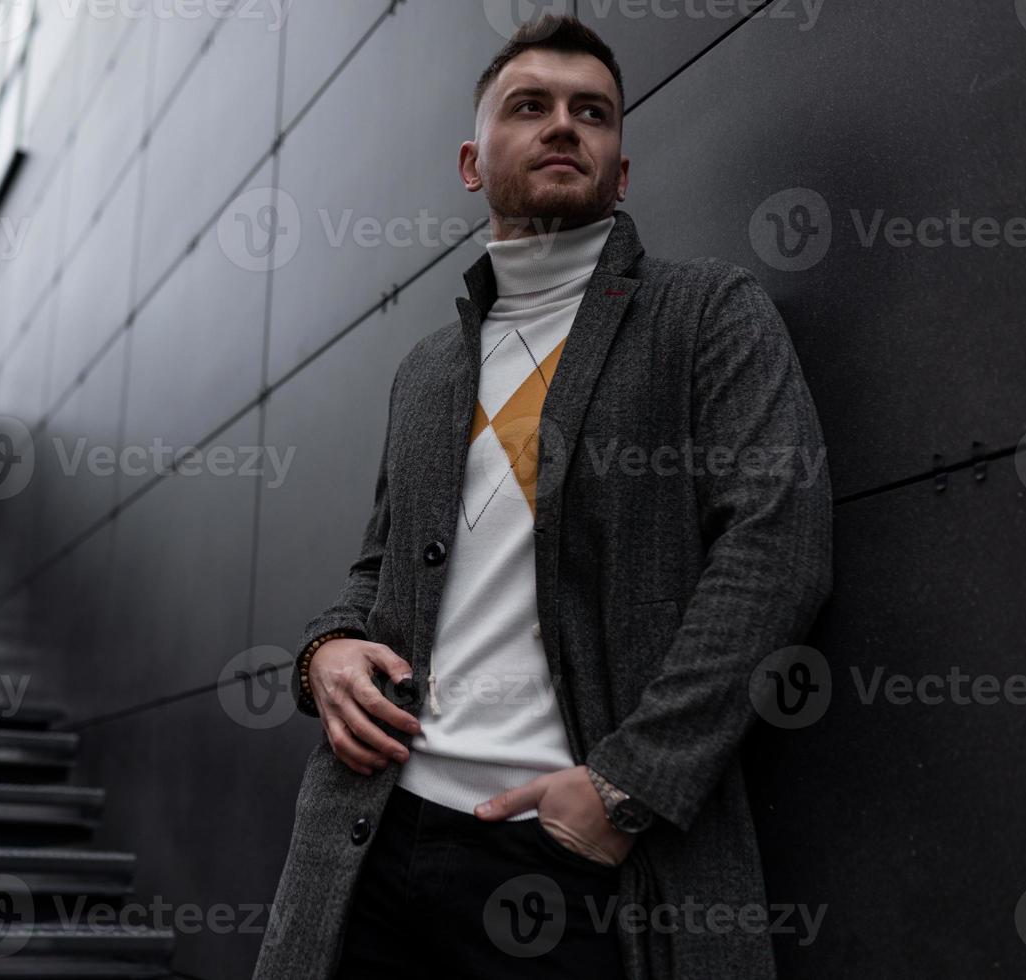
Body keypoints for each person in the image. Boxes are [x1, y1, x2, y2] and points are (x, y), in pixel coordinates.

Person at [253, 13, 832, 980]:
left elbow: (780, 549)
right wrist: (326, 651)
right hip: (371, 839)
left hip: (572, 863)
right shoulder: (428, 370)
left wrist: (627, 787)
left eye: (592, 112)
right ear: (475, 162)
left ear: (622, 167)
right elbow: (374, 571)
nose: (565, 125)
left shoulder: (706, 315)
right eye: (532, 106)